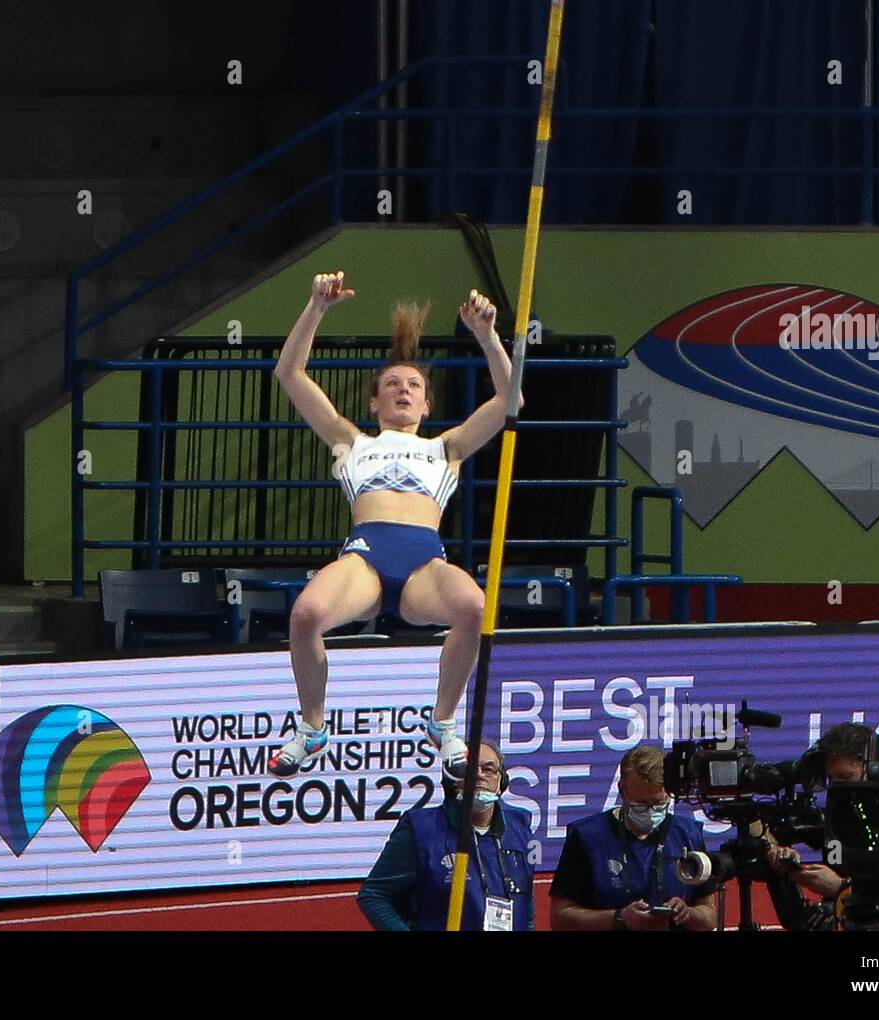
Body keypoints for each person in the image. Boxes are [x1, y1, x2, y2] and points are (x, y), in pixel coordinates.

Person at [267, 271, 521, 780]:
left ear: (427, 405)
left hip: (424, 562)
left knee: (474, 607)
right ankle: (312, 726)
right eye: (392, 385)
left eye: (414, 386)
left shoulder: (447, 448)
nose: (403, 390)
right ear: (374, 403)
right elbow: (289, 374)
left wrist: (488, 335)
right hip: (364, 556)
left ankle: (443, 723)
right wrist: (316, 307)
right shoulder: (350, 440)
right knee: (306, 613)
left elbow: (509, 402)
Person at [356, 740, 535, 930]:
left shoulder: (520, 825)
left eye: (488, 769)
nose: (479, 775)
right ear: (451, 780)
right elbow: (374, 895)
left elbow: (526, 905)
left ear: (502, 782)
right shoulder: (420, 829)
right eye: (468, 769)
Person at [549, 745, 717, 930]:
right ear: (622, 791)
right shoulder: (587, 837)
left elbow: (709, 917)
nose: (650, 812)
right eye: (640, 804)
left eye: (658, 804)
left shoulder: (688, 834)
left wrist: (688, 913)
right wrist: (619, 918)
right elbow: (560, 917)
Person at [764, 722, 873, 920]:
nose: (837, 787)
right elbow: (763, 830)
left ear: (872, 770)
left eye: (846, 778)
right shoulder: (833, 817)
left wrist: (841, 887)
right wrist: (777, 852)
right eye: (832, 779)